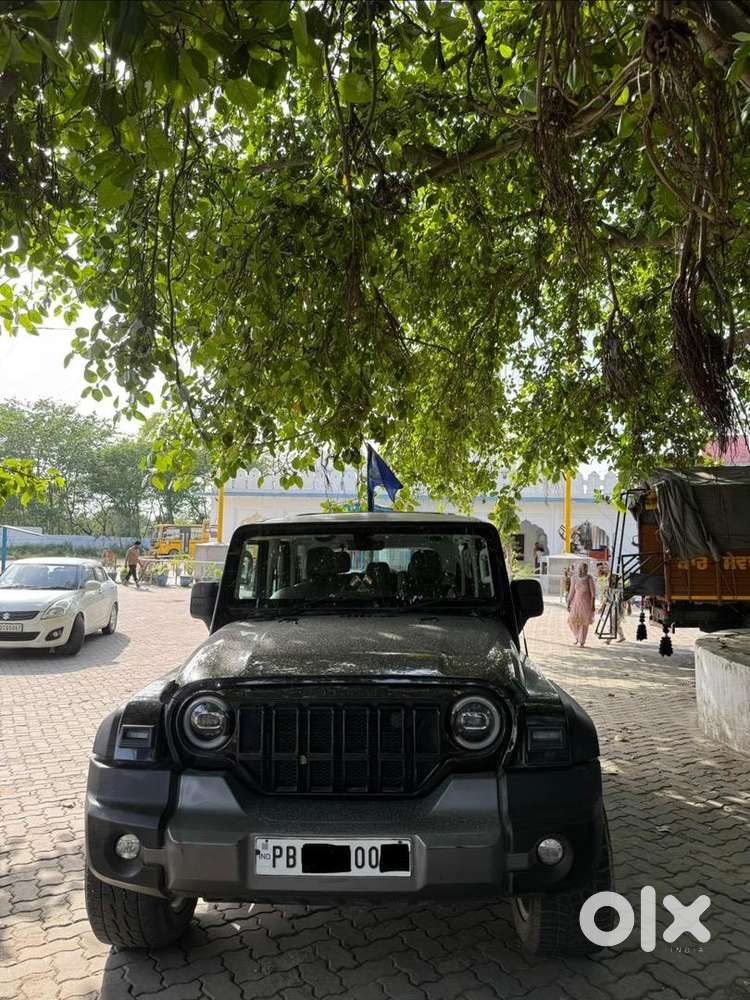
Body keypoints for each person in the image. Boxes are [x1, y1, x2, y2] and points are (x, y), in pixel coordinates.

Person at [567, 562, 596, 647]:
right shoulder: (574, 578)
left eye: (585, 568)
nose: (583, 570)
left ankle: (581, 641)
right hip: (576, 603)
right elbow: (571, 591)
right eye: (581, 568)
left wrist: (593, 605)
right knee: (572, 621)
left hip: (586, 603)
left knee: (584, 623)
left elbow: (593, 593)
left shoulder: (589, 578)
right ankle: (577, 637)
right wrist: (568, 603)